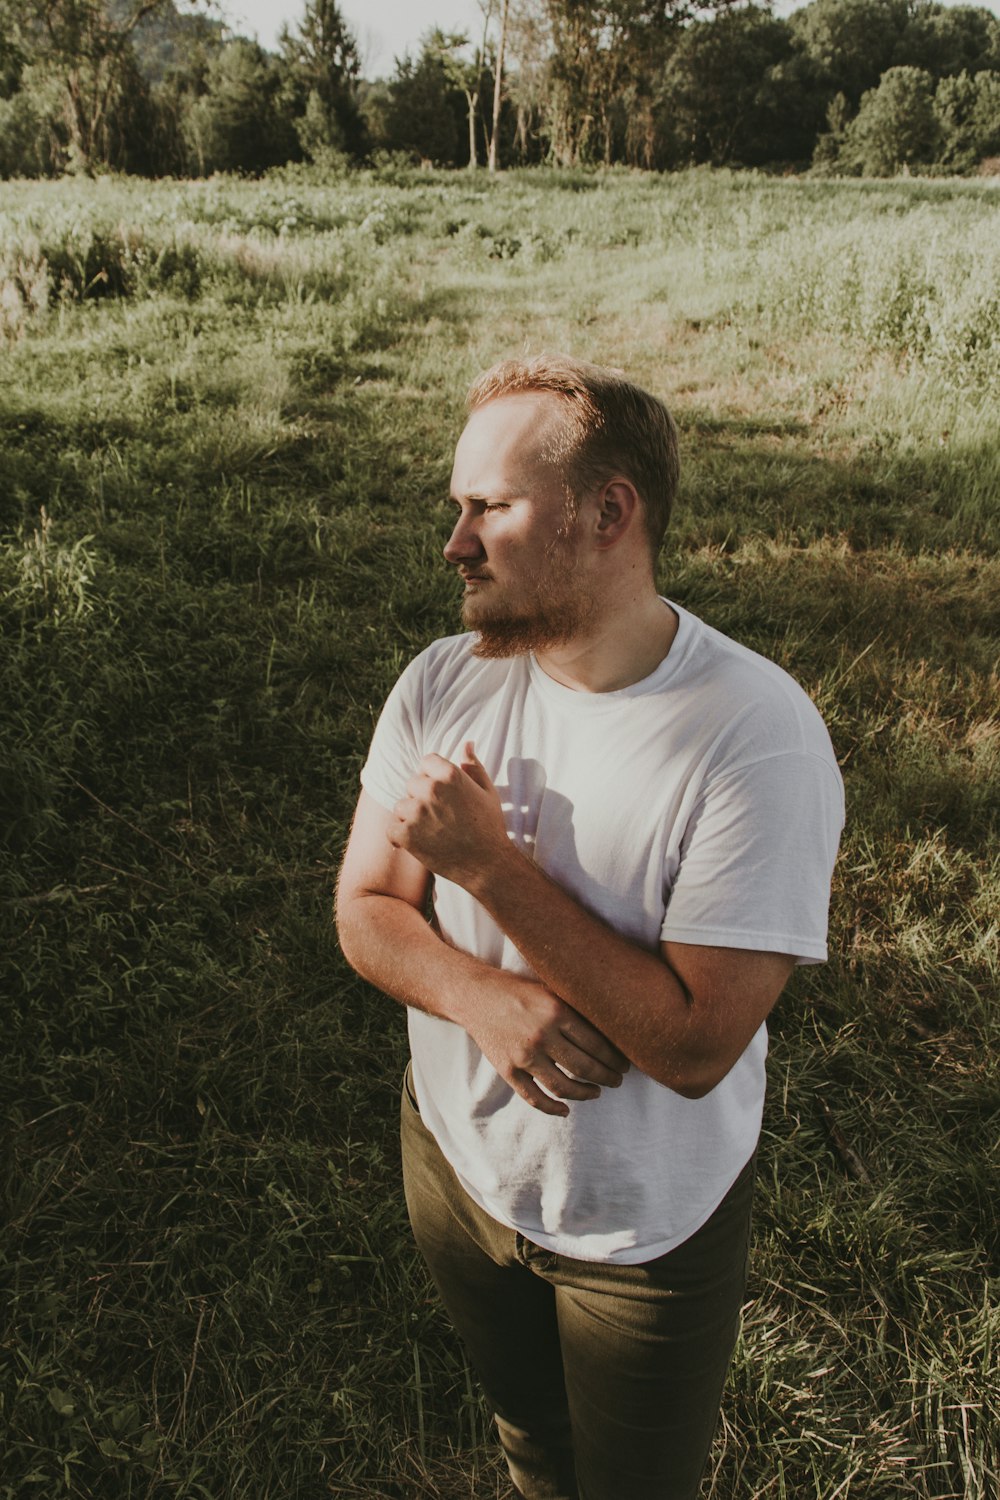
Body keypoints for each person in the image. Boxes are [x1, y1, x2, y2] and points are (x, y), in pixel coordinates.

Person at [335, 354, 844, 1500]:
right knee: (529, 1437)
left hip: (640, 1236)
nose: (455, 544)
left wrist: (488, 868)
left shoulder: (753, 737)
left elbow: (693, 1046)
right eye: (457, 509)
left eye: (490, 510)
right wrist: (479, 997)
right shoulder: (439, 680)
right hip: (456, 1170)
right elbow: (365, 911)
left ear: (609, 513)